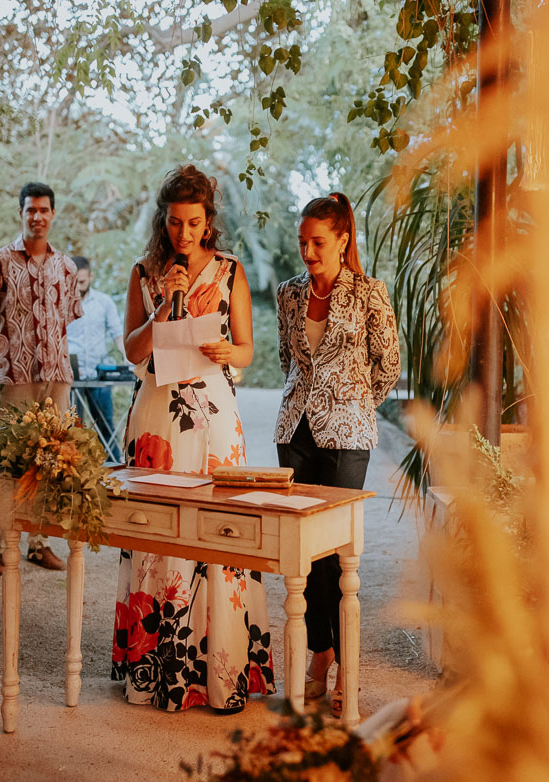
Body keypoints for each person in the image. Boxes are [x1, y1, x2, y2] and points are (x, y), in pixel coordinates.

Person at [110, 165, 275, 713]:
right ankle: (156, 672)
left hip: (215, 417)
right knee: (157, 534)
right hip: (159, 417)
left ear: (210, 223)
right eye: (176, 223)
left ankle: (221, 672)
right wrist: (162, 306)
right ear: (164, 221)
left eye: (195, 223)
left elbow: (248, 347)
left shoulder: (231, 272)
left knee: (219, 531)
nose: (184, 234)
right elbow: (133, 352)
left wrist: (232, 352)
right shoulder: (145, 271)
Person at [274, 192, 401, 715]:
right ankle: (318, 653)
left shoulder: (370, 293)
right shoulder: (288, 294)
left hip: (348, 434)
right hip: (294, 432)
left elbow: (387, 365)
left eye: (317, 242)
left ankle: (346, 663)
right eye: (302, 242)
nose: (308, 252)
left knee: (340, 553)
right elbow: (287, 358)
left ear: (343, 240)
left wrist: (349, 404)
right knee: (305, 552)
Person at [0, 182, 83, 575]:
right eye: (30, 210)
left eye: (43, 210)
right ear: (20, 213)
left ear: (53, 214)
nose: (37, 217)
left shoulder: (67, 267)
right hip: (15, 374)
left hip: (56, 374)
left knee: (51, 460)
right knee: (9, 460)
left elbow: (65, 319)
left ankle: (39, 543)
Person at [66, 255, 126, 462]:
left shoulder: (104, 302)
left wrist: (129, 360)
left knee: (105, 425)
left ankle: (116, 468)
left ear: (90, 277)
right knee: (71, 429)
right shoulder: (63, 303)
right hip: (71, 375)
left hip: (98, 374)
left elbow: (117, 334)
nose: (78, 286)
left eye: (81, 281)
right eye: (74, 282)